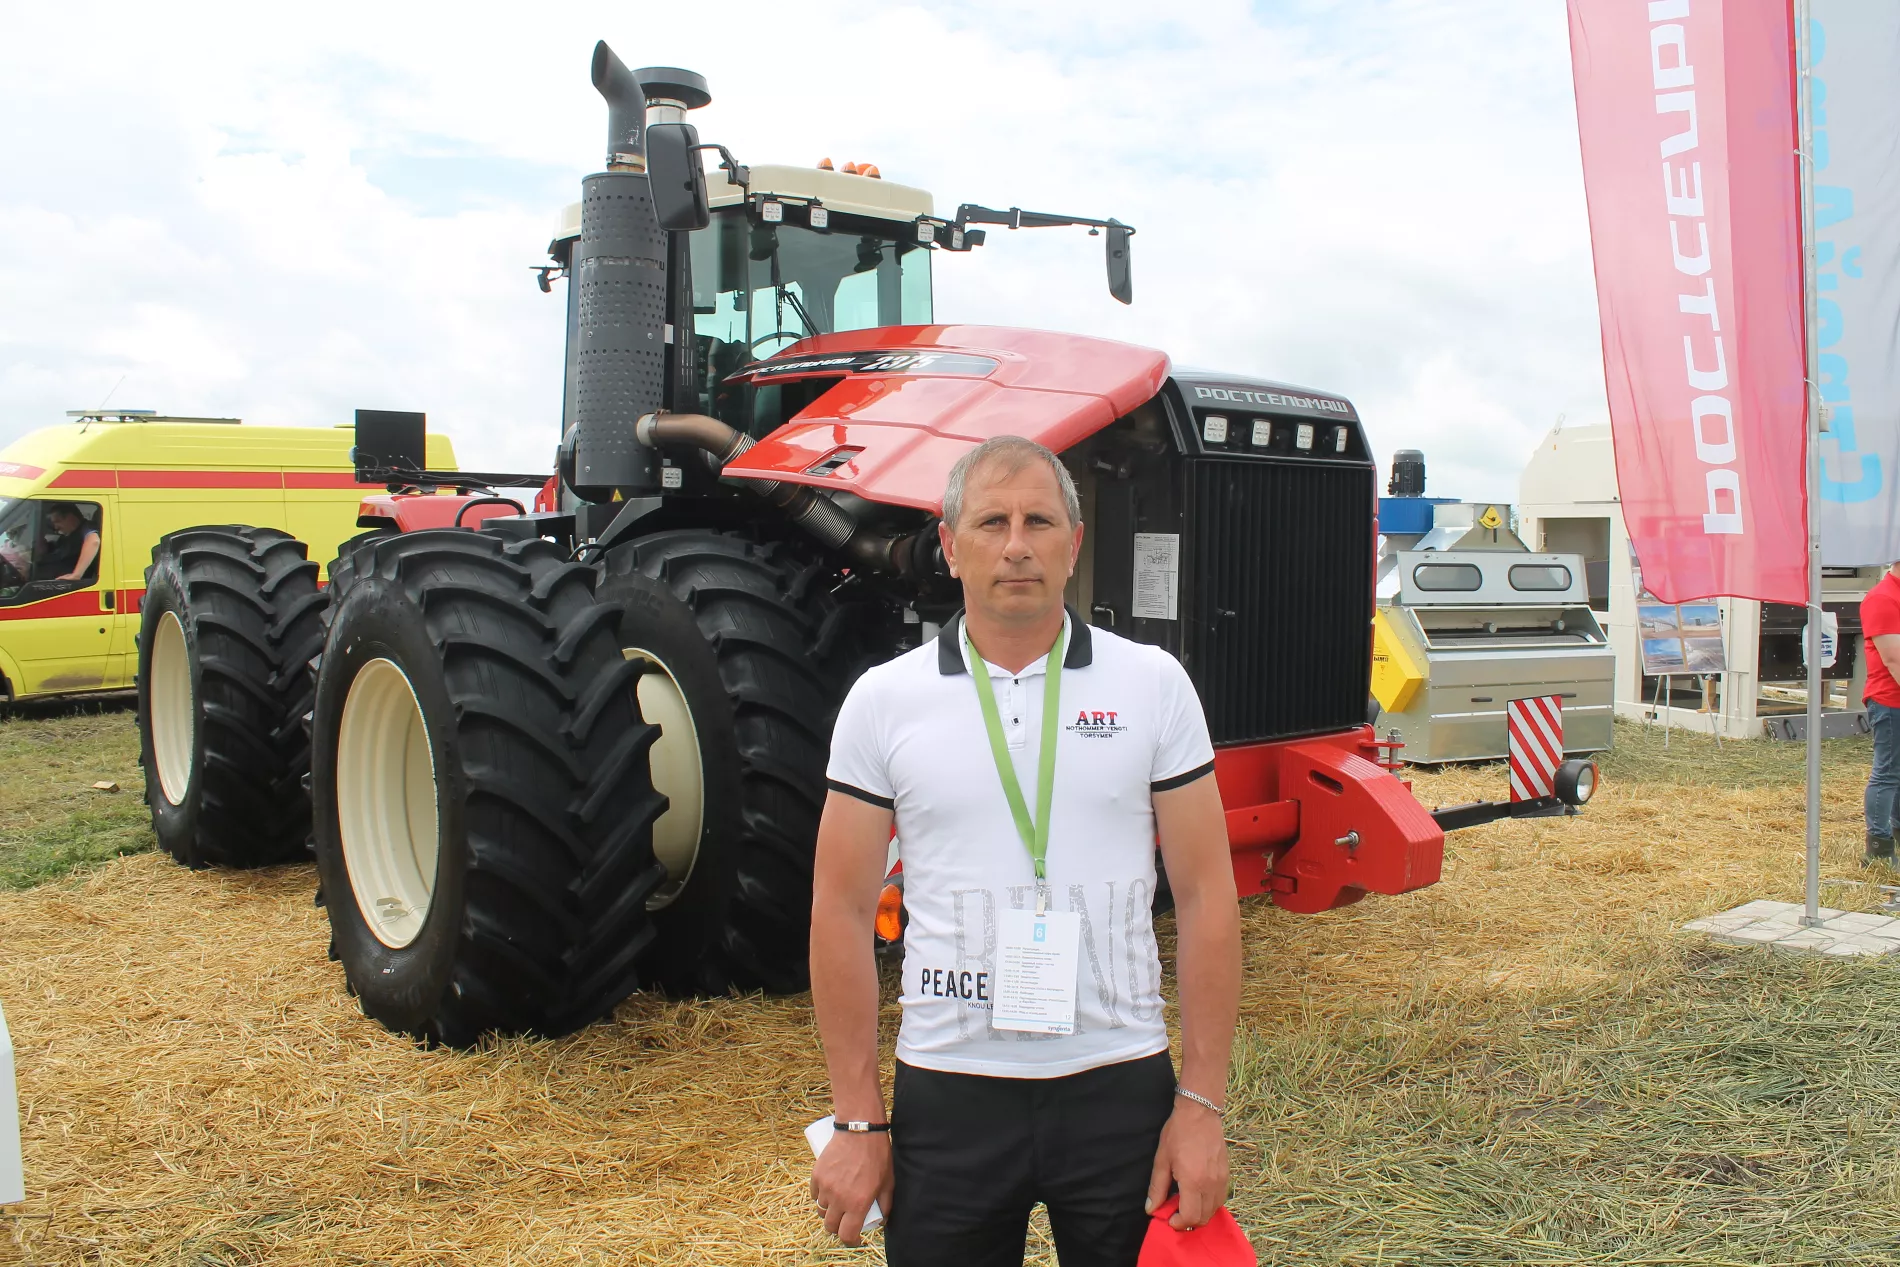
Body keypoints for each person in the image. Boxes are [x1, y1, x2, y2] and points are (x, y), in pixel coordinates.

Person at [809, 435, 1243, 1267]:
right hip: (950, 1089)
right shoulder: (883, 701)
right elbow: (841, 908)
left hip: (1119, 1084)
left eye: (1039, 521)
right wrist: (858, 1118)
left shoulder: (1152, 685)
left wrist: (1201, 1104)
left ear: (1073, 543)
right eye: (991, 522)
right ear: (949, 544)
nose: (1016, 545)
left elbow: (1205, 896)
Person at [1860, 560, 1900, 865]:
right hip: (1890, 700)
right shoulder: (1883, 598)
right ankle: (1879, 848)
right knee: (1887, 773)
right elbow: (1894, 660)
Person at [34, 503, 100, 583]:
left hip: (68, 586)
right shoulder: (67, 535)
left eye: (58, 521)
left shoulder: (86, 527)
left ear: (70, 518)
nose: (55, 527)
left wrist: (76, 575)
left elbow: (93, 541)